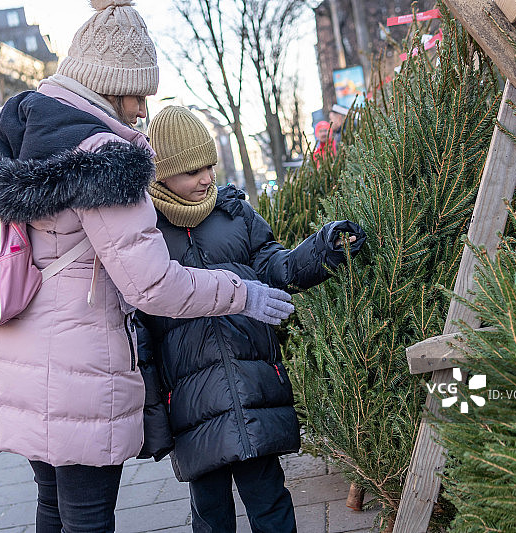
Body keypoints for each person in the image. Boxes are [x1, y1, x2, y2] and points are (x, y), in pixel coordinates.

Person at [0, 2, 294, 532]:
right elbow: (153, 285)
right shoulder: (104, 156)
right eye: (138, 92)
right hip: (75, 368)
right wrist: (241, 292)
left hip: (14, 352)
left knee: (53, 504)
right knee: (86, 515)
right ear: (111, 84)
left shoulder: (2, 132)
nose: (142, 109)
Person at [136, 106, 367, 533]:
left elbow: (275, 266)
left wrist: (324, 249)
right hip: (190, 402)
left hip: (251, 383)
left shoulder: (233, 214)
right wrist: (154, 418)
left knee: (270, 500)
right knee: (210, 512)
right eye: (191, 171)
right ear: (161, 174)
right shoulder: (144, 232)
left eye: (208, 165)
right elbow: (141, 332)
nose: (206, 178)